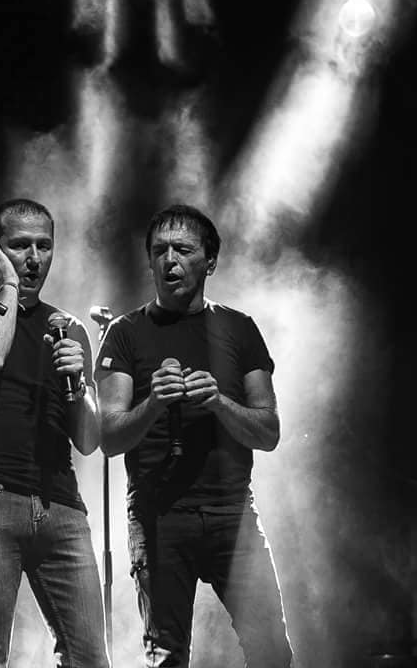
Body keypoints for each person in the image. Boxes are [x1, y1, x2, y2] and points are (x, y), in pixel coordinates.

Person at [95, 204, 293, 667]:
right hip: (158, 514)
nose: (169, 260)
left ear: (210, 261)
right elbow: (109, 437)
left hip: (232, 512)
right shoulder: (124, 333)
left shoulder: (239, 329)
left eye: (183, 250)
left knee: (272, 652)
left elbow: (268, 432)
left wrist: (219, 402)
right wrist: (153, 403)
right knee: (166, 657)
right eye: (159, 251)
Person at [0, 199, 110, 668]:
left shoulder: (67, 328)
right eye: (20, 246)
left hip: (61, 507)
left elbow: (89, 440)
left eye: (44, 246)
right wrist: (9, 288)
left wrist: (81, 386)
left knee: (91, 658)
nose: (34, 259)